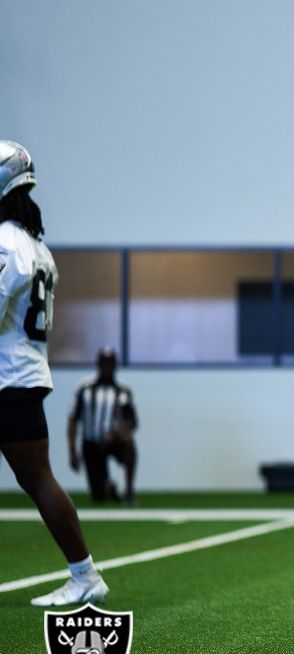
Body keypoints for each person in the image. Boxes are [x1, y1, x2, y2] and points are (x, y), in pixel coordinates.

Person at [0, 140, 110, 606]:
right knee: (38, 478)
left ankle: (85, 574)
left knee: (38, 478)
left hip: (8, 378)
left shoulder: (6, 242)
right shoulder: (37, 247)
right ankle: (84, 573)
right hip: (23, 373)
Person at [69, 347, 139, 505]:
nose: (107, 367)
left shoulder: (123, 391)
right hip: (91, 444)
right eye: (104, 363)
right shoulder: (84, 388)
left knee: (129, 444)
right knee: (98, 497)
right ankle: (108, 488)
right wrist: (72, 451)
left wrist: (116, 433)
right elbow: (73, 419)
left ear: (115, 365)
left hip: (114, 441)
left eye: (110, 363)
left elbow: (132, 421)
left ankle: (129, 491)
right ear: (98, 364)